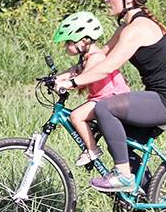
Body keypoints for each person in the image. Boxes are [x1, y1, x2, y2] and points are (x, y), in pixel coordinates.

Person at [55, 0, 166, 193]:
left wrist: (73, 84)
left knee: (105, 108)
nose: (107, 0)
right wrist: (63, 76)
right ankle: (142, 206)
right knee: (117, 140)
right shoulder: (126, 26)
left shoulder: (139, 28)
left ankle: (123, 176)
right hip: (157, 98)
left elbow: (108, 67)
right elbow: (100, 56)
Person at [51, 11, 130, 167]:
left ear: (83, 41)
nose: (66, 46)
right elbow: (74, 71)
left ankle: (93, 150)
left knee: (76, 116)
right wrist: (55, 79)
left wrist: (66, 84)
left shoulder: (96, 57)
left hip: (112, 98)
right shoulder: (87, 57)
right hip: (102, 99)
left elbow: (81, 80)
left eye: (68, 42)